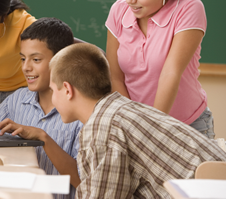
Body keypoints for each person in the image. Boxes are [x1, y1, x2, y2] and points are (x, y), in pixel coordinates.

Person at [49, 43, 226, 199]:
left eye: (52, 91)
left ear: (67, 89)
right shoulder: (120, 108)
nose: (52, 99)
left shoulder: (102, 127)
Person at [105, 0, 213, 138]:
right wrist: (135, 123)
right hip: (137, 126)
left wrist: (152, 130)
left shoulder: (188, 9)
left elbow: (170, 73)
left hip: (188, 127)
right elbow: (115, 76)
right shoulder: (118, 11)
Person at [0, 18, 83, 199]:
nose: (26, 67)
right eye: (22, 58)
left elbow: (83, 182)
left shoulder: (81, 112)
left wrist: (43, 138)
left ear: (62, 61)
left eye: (36, 59)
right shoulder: (17, 99)